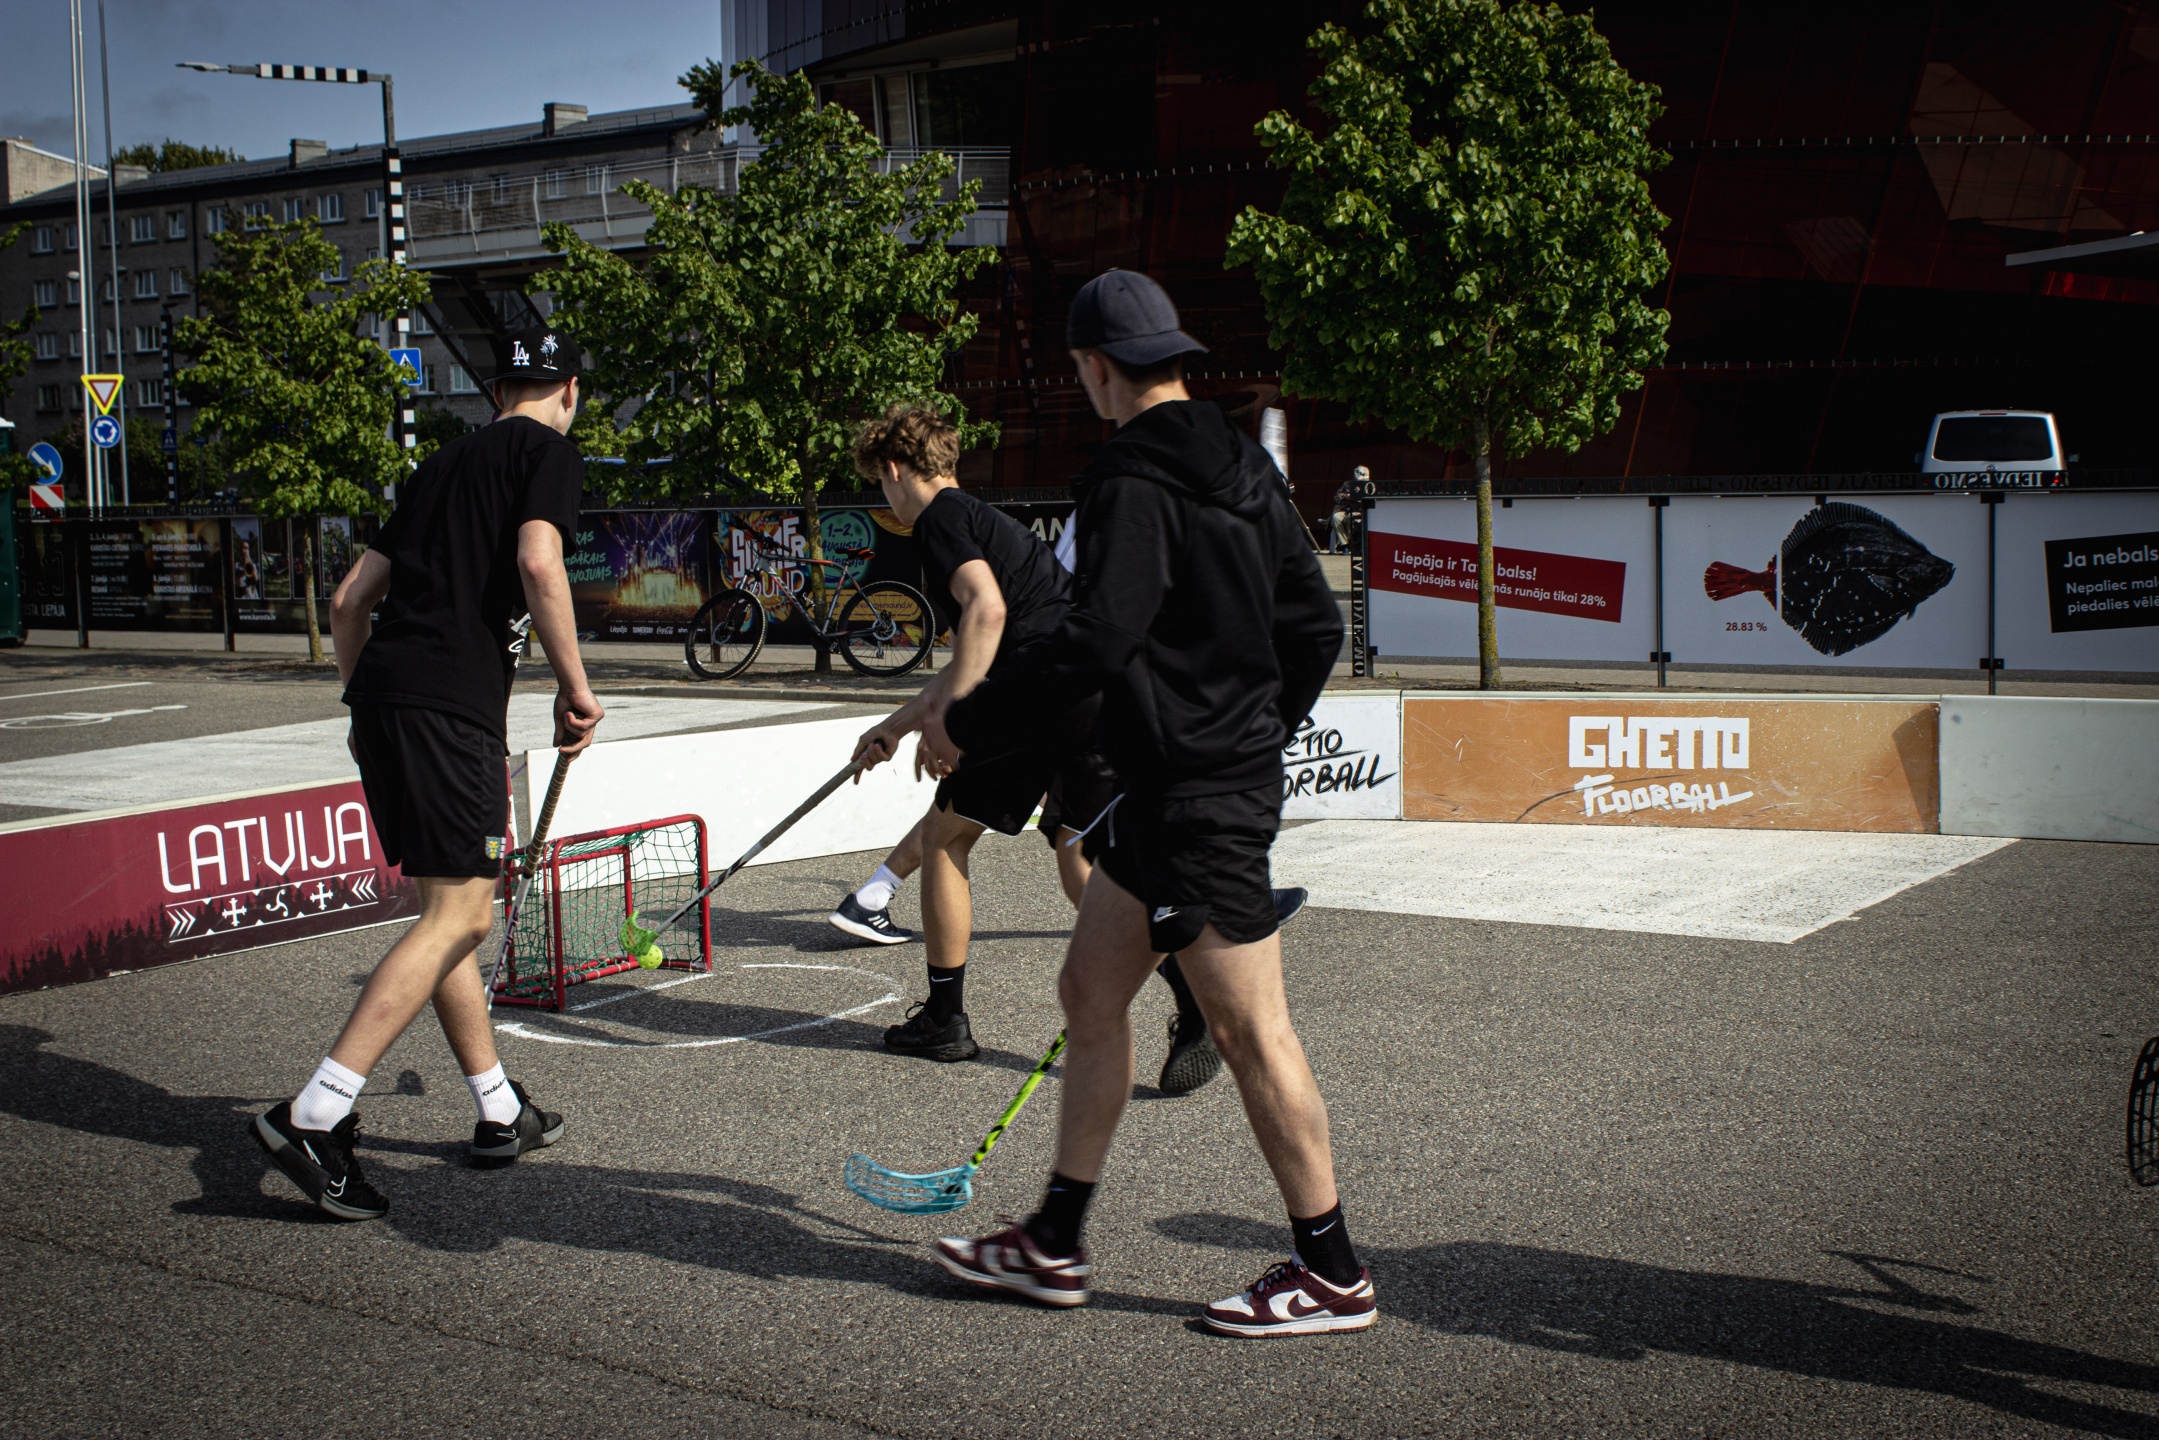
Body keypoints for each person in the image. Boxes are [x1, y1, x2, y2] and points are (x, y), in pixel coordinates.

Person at [925, 270, 1375, 1336]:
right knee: (1089, 991)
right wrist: (1254, 728)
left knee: (1251, 1031)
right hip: (1169, 786)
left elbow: (1096, 639)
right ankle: (1053, 1242)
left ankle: (1330, 1272)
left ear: (1094, 367)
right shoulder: (1245, 466)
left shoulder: (1128, 477)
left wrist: (968, 719)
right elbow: (1316, 627)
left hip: (1195, 798)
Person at [248, 325, 604, 1222]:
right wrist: (575, 687)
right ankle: (315, 1113)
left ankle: (499, 1108)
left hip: (384, 699)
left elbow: (348, 602)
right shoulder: (546, 453)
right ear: (569, 390)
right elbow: (538, 561)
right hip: (451, 710)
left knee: (446, 913)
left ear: (493, 392)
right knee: (462, 914)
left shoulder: (439, 464)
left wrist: (365, 703)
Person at [836, 404, 1122, 1064]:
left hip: (1033, 688)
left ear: (894, 468)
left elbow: (986, 612)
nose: (886, 498)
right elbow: (979, 649)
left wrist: (951, 721)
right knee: (1079, 854)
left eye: (879, 483)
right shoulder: (983, 520)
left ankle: (944, 1019)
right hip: (1084, 687)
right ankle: (1193, 991)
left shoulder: (939, 519)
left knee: (945, 837)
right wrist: (896, 727)